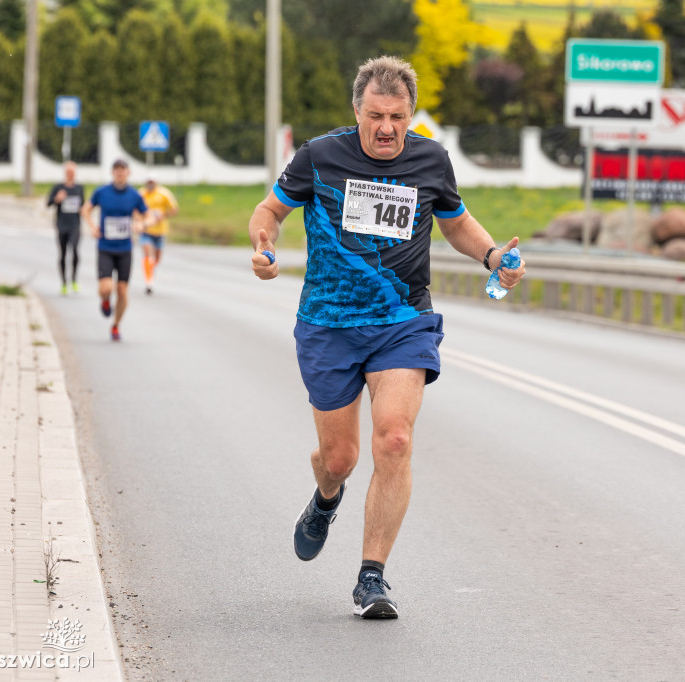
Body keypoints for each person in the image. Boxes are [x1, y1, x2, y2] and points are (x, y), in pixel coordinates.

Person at [248, 56, 525, 619]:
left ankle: (371, 577)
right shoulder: (319, 156)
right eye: (375, 115)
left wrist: (493, 255)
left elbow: (455, 222)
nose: (386, 128)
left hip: (403, 322)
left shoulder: (431, 160)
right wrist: (264, 246)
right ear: (357, 111)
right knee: (341, 457)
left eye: (397, 117)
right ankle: (326, 498)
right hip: (328, 323)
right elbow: (270, 210)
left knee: (394, 439)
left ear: (411, 115)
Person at [80, 159, 149, 341]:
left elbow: (146, 214)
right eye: (117, 170)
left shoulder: (134, 195)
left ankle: (116, 325)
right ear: (112, 173)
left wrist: (141, 224)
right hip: (105, 247)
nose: (120, 173)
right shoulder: (102, 192)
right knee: (106, 287)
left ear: (128, 173)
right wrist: (92, 226)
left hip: (125, 248)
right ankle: (104, 300)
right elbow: (85, 209)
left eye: (123, 170)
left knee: (122, 290)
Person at [46, 161, 84, 295]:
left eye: (72, 172)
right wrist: (57, 199)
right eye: (68, 172)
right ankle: (63, 283)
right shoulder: (58, 187)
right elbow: (48, 203)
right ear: (65, 173)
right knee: (62, 254)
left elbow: (83, 205)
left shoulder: (79, 188)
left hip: (75, 225)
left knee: (74, 251)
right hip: (62, 225)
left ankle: (74, 279)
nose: (70, 175)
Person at [138, 178, 179, 295]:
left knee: (156, 259)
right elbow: (134, 209)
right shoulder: (141, 194)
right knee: (147, 252)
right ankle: (148, 281)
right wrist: (139, 220)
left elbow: (174, 209)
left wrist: (164, 215)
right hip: (146, 229)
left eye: (152, 182)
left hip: (160, 230)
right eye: (148, 182)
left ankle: (150, 271)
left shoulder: (164, 193)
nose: (150, 184)